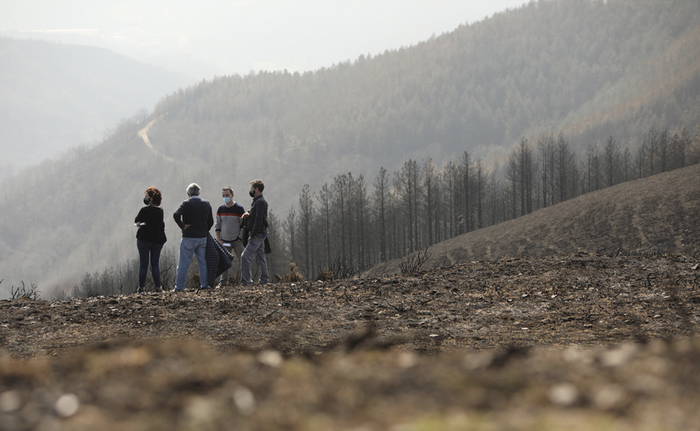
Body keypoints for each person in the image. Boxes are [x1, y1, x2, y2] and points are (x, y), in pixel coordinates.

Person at [172, 183, 214, 292]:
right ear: (199, 193)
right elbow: (211, 221)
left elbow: (176, 215)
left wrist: (182, 226)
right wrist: (205, 230)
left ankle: (180, 287)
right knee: (203, 263)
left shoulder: (186, 204)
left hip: (189, 237)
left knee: (184, 264)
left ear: (188, 193)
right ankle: (204, 285)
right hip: (202, 237)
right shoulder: (206, 204)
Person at [134, 187, 167, 292]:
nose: (145, 199)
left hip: (144, 239)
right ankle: (158, 287)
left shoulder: (144, 210)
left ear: (151, 198)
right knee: (155, 264)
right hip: (157, 240)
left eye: (147, 197)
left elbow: (137, 220)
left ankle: (141, 287)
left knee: (143, 263)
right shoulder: (160, 211)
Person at [240, 179, 270, 286]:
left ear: (256, 189)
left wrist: (252, 234)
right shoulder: (258, 202)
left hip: (257, 234)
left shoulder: (260, 202)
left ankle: (246, 281)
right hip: (260, 233)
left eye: (252, 189)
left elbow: (259, 219)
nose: (251, 191)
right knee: (260, 256)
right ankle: (265, 279)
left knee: (245, 256)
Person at [215, 186, 246, 287]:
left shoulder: (239, 209)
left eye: (227, 195)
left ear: (232, 195)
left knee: (243, 261)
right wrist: (219, 239)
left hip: (237, 241)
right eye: (223, 195)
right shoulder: (220, 209)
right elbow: (218, 225)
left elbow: (243, 225)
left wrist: (240, 237)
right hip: (224, 241)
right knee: (224, 263)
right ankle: (223, 283)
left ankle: (245, 282)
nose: (225, 197)